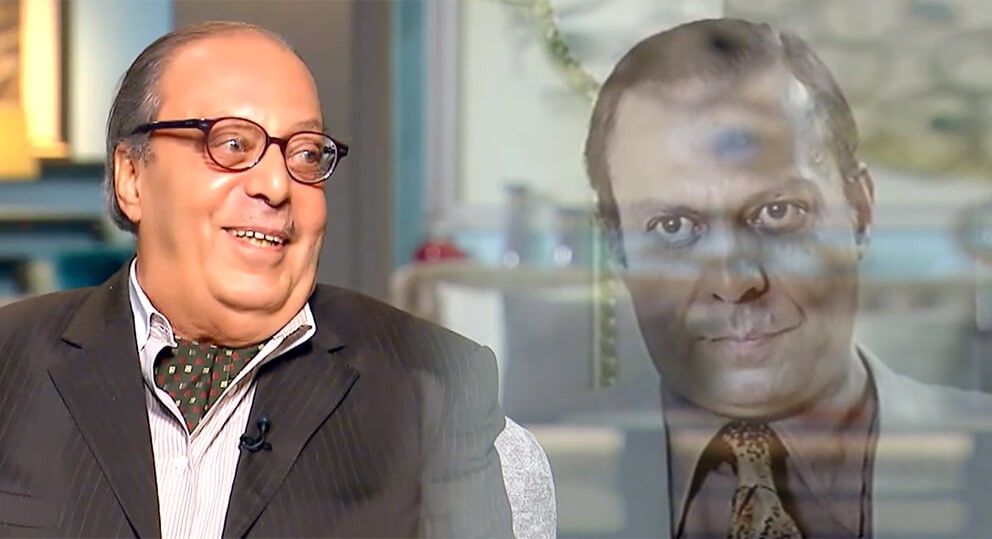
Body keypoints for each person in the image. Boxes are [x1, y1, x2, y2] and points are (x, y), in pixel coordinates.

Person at [0, 21, 555, 538]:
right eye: (232, 144)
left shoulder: (432, 387)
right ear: (132, 177)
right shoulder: (9, 365)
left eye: (306, 154)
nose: (276, 185)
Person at [572, 17, 992, 538]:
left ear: (860, 212)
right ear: (617, 251)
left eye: (777, 213)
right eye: (672, 228)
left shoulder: (983, 453)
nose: (733, 283)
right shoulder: (522, 481)